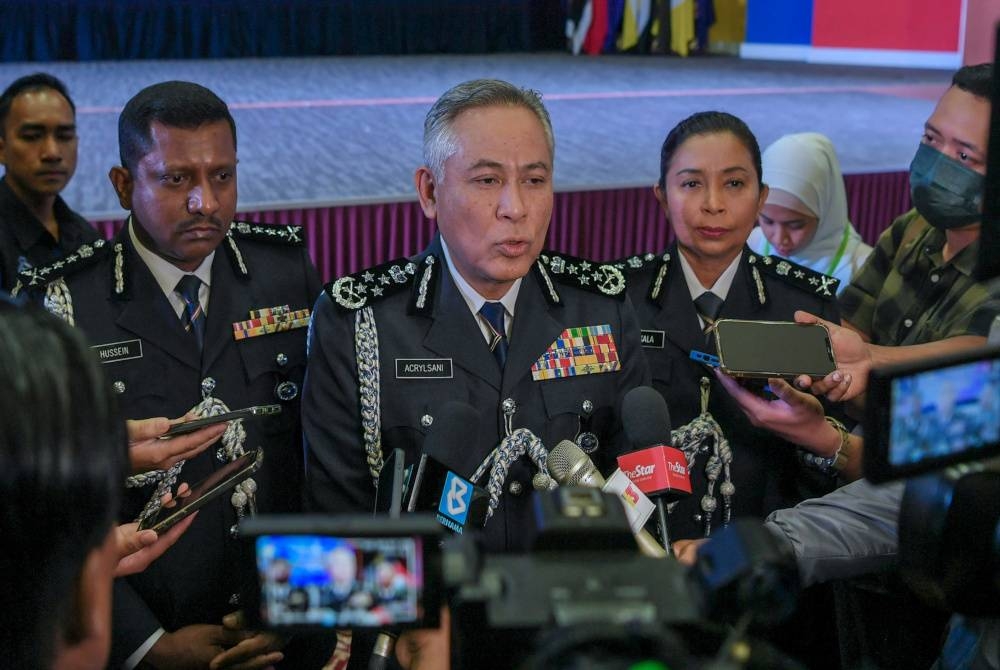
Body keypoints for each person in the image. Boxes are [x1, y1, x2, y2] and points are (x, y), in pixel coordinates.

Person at [303, 79, 648, 662]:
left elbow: (638, 482)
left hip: (578, 639)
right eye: (488, 180)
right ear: (430, 191)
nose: (516, 207)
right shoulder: (360, 322)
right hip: (429, 643)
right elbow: (338, 519)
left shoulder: (603, 307)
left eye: (535, 180)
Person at [17, 81, 323, 669]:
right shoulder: (65, 305)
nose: (205, 202)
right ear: (124, 184)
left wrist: (298, 612)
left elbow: (319, 462)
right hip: (140, 635)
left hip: (282, 627)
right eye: (176, 179)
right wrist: (147, 646)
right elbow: (45, 509)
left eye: (223, 177)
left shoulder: (284, 273)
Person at [706, 63, 1000, 669]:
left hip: (925, 556)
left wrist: (840, 420)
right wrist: (828, 396)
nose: (938, 163)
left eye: (965, 156)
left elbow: (962, 381)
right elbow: (846, 345)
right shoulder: (912, 231)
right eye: (931, 140)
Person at [622, 111, 843, 543]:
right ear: (662, 196)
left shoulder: (804, 307)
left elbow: (825, 456)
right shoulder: (618, 300)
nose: (714, 204)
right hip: (647, 549)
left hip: (764, 549)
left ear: (762, 198)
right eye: (691, 184)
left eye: (735, 184)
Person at [0, 73, 98, 292]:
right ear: (1, 149)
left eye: (64, 136)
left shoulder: (85, 237)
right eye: (33, 136)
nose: (52, 153)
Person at [748, 132, 872, 291]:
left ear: (826, 212)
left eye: (795, 225)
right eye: (767, 221)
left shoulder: (862, 268)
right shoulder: (752, 244)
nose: (780, 239)